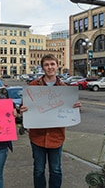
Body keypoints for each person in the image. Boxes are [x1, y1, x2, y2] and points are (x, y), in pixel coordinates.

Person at [19, 54, 82, 188]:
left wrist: (76, 108)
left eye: (52, 64)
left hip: (56, 137)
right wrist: (22, 109)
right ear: (43, 68)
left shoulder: (65, 88)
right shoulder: (33, 86)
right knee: (38, 170)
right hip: (37, 137)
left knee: (56, 170)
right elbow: (23, 107)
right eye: (47, 65)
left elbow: (71, 111)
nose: (50, 67)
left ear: (57, 66)